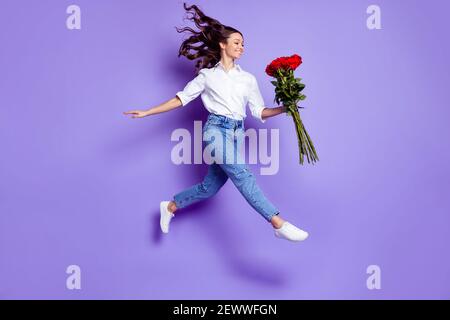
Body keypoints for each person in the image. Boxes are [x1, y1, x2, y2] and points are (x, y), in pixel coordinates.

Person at [123, 3, 308, 242]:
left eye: (243, 43)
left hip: (236, 133)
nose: (242, 47)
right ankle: (277, 222)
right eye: (237, 42)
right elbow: (181, 99)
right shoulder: (207, 76)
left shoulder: (248, 80)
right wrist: (148, 112)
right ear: (223, 44)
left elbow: (259, 111)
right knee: (242, 174)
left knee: (209, 188)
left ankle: (169, 206)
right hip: (215, 131)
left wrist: (285, 108)